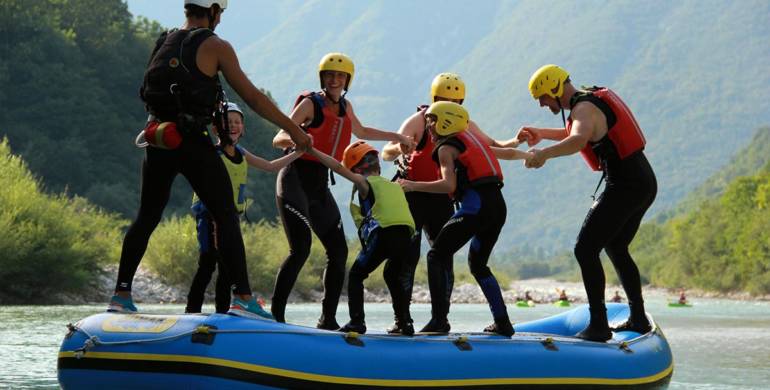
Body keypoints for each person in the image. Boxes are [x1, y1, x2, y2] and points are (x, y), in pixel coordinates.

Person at [109, 0, 311, 318]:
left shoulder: (164, 40)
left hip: (157, 136)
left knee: (147, 216)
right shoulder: (215, 45)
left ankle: (121, 294)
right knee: (226, 215)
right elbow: (254, 98)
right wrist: (294, 131)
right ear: (214, 11)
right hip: (190, 141)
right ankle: (243, 298)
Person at [271, 53, 415, 329]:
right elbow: (278, 138)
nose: (334, 80)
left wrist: (395, 137)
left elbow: (360, 130)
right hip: (294, 180)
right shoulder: (309, 104)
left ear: (348, 80)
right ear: (322, 77)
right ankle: (276, 317)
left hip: (319, 185)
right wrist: (300, 140)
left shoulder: (346, 106)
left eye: (340, 76)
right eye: (330, 75)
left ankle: (328, 319)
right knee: (300, 249)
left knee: (338, 252)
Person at [519, 64, 657, 341]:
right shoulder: (586, 104)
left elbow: (577, 140)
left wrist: (543, 154)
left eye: (543, 97)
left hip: (626, 185)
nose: (543, 104)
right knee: (616, 247)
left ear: (556, 89)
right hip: (642, 182)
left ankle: (598, 325)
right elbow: (576, 133)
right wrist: (542, 133)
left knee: (585, 249)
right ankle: (639, 318)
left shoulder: (582, 109)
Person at [381, 72, 521, 333]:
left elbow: (493, 152)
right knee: (416, 257)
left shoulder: (456, 136)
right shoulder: (422, 121)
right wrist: (402, 148)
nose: (449, 107)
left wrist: (524, 148)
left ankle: (439, 319)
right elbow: (387, 150)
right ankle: (406, 320)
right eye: (445, 101)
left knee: (438, 255)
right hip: (477, 204)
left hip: (459, 202)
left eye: (457, 102)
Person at [185, 102, 303, 314]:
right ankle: (191, 311)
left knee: (227, 269)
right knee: (208, 263)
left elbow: (270, 166)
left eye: (237, 122)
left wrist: (299, 152)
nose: (232, 126)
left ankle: (223, 313)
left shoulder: (242, 153)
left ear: (243, 127)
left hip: (231, 219)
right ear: (215, 128)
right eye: (227, 122)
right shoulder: (212, 154)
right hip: (210, 217)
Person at [309, 141, 416, 335]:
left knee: (356, 275)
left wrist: (311, 150)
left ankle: (357, 322)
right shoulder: (395, 186)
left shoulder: (364, 183)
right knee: (392, 275)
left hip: (385, 233)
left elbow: (336, 166)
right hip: (406, 237)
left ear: (357, 169)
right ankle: (404, 323)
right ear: (377, 165)